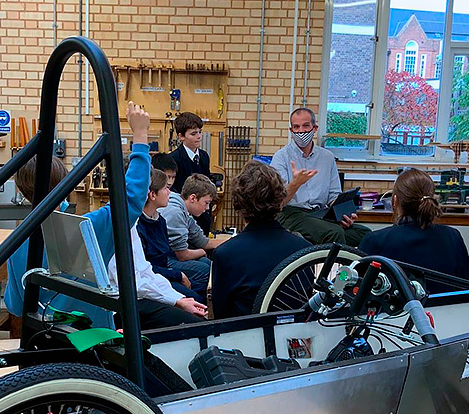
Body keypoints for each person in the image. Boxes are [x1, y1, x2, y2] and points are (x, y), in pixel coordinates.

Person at [4, 101, 153, 328]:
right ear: (65, 183)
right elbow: (131, 199)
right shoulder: (88, 228)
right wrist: (140, 137)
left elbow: (15, 306)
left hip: (45, 340)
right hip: (92, 343)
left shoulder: (16, 241)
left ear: (23, 192)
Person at [211, 161, 310, 319]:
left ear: (238, 203)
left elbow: (221, 315)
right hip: (293, 331)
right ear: (280, 200)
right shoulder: (305, 249)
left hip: (246, 332)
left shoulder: (225, 254)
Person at [270, 107, 370, 247]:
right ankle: (332, 262)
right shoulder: (281, 157)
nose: (301, 131)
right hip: (291, 213)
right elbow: (277, 203)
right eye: (296, 127)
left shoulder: (327, 157)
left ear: (314, 128)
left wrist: (343, 214)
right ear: (291, 130)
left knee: (365, 235)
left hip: (320, 213)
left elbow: (334, 195)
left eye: (306, 126)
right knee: (334, 233)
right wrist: (295, 184)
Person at [357, 168, 469, 289]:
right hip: (446, 302)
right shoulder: (453, 237)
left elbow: (352, 290)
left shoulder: (374, 241)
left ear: (394, 201)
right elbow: (468, 290)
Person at [108, 224, 208, 329]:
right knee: (196, 325)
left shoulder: (133, 224)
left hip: (141, 291)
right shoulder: (116, 224)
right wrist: (176, 301)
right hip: (119, 303)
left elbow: (146, 271)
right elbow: (130, 283)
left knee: (195, 311)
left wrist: (179, 299)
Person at [137, 169, 208, 303]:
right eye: (165, 188)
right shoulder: (138, 226)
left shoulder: (160, 221)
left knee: (204, 289)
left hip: (164, 273)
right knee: (196, 298)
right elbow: (144, 268)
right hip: (150, 280)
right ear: (153, 195)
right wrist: (177, 274)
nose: (169, 192)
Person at [158, 173, 228, 282]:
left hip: (172, 254)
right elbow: (183, 255)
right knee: (205, 269)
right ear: (193, 198)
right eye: (206, 203)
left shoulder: (183, 210)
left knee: (207, 263)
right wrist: (202, 252)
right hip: (161, 259)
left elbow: (203, 242)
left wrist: (232, 241)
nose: (207, 208)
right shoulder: (175, 212)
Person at [165, 112, 213, 231]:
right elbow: (172, 188)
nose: (199, 136)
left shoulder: (204, 156)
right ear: (181, 136)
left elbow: (207, 183)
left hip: (203, 214)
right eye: (193, 133)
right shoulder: (173, 159)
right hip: (183, 215)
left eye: (200, 132)